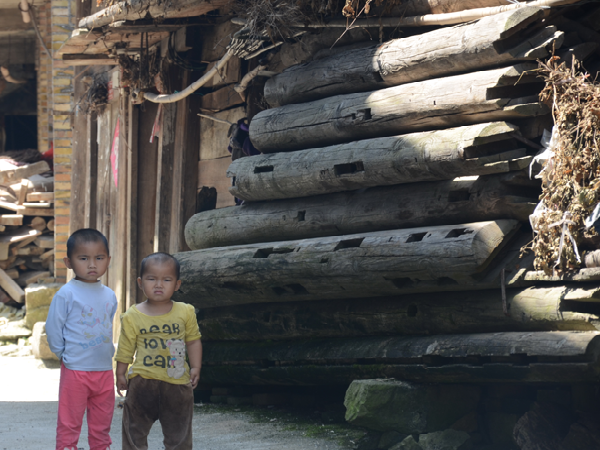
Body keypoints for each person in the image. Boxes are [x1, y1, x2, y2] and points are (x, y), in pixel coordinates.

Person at [115, 252, 202, 450]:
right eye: (151, 279)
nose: (159, 285)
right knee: (134, 431)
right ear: (140, 282)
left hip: (177, 384)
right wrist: (120, 373)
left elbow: (193, 341)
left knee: (179, 434)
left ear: (177, 285)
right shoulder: (132, 315)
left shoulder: (185, 311)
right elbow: (125, 347)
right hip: (142, 383)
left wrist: (196, 367)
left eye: (166, 280)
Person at [46, 228, 118, 450]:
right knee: (70, 422)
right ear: (69, 262)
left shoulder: (109, 295)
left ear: (108, 260)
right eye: (84, 258)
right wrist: (62, 354)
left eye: (99, 258)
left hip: (104, 370)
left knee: (102, 424)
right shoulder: (66, 294)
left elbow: (107, 325)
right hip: (76, 370)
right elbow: (53, 327)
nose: (92, 264)